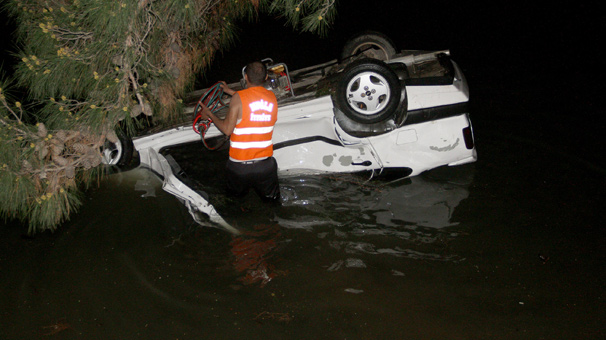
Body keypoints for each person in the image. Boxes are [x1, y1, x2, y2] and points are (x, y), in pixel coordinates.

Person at [198, 61, 280, 201]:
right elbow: (252, 98)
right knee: (272, 203)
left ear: (246, 77)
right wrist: (229, 91)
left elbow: (227, 130)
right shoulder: (272, 98)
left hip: (239, 168)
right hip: (265, 167)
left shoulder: (238, 99)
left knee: (235, 202)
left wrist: (209, 114)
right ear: (266, 77)